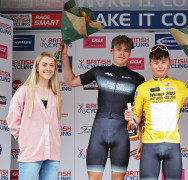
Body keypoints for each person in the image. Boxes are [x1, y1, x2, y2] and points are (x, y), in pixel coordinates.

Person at [58, 35, 144, 180]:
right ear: (111, 50)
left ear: (130, 53)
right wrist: (65, 56)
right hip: (99, 133)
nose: (122, 53)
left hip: (122, 135)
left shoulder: (137, 79)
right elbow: (71, 81)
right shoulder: (99, 72)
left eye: (126, 50)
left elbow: (141, 112)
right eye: (118, 49)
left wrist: (142, 139)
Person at [124, 44, 188, 179]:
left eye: (163, 62)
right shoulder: (142, 88)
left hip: (173, 145)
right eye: (156, 62)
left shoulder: (180, 86)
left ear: (170, 63)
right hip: (149, 146)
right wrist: (131, 116)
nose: (160, 66)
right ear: (150, 64)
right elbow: (138, 118)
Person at [6, 52, 62, 180]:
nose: (48, 68)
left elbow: (57, 123)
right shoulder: (24, 91)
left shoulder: (56, 95)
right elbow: (12, 118)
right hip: (31, 153)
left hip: (53, 154)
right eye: (44, 65)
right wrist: (24, 138)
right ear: (37, 67)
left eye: (52, 65)